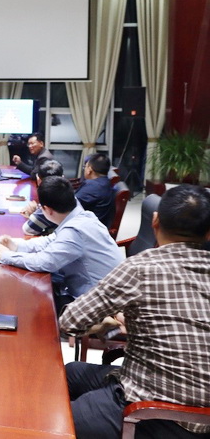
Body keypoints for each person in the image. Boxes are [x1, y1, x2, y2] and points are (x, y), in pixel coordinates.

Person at [60, 185, 210, 439]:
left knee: (54, 419)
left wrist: (108, 320)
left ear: (155, 221)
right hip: (202, 415)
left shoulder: (140, 268)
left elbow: (70, 321)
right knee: (71, 373)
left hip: (154, 411)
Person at [0, 176, 123, 312]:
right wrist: (17, 246)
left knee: (32, 304)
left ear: (47, 209)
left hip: (98, 302)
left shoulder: (74, 231)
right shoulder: (83, 216)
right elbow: (50, 240)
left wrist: (6, 256)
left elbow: (43, 262)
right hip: (107, 292)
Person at [20, 159, 65, 236]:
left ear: (38, 180)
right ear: (63, 177)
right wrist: (38, 208)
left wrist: (32, 214)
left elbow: (28, 229)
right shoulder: (68, 195)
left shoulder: (51, 200)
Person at [74, 153, 115, 227]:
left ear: (89, 170)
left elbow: (70, 205)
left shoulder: (92, 187)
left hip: (86, 228)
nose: (84, 169)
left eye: (85, 167)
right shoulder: (105, 182)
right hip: (96, 225)